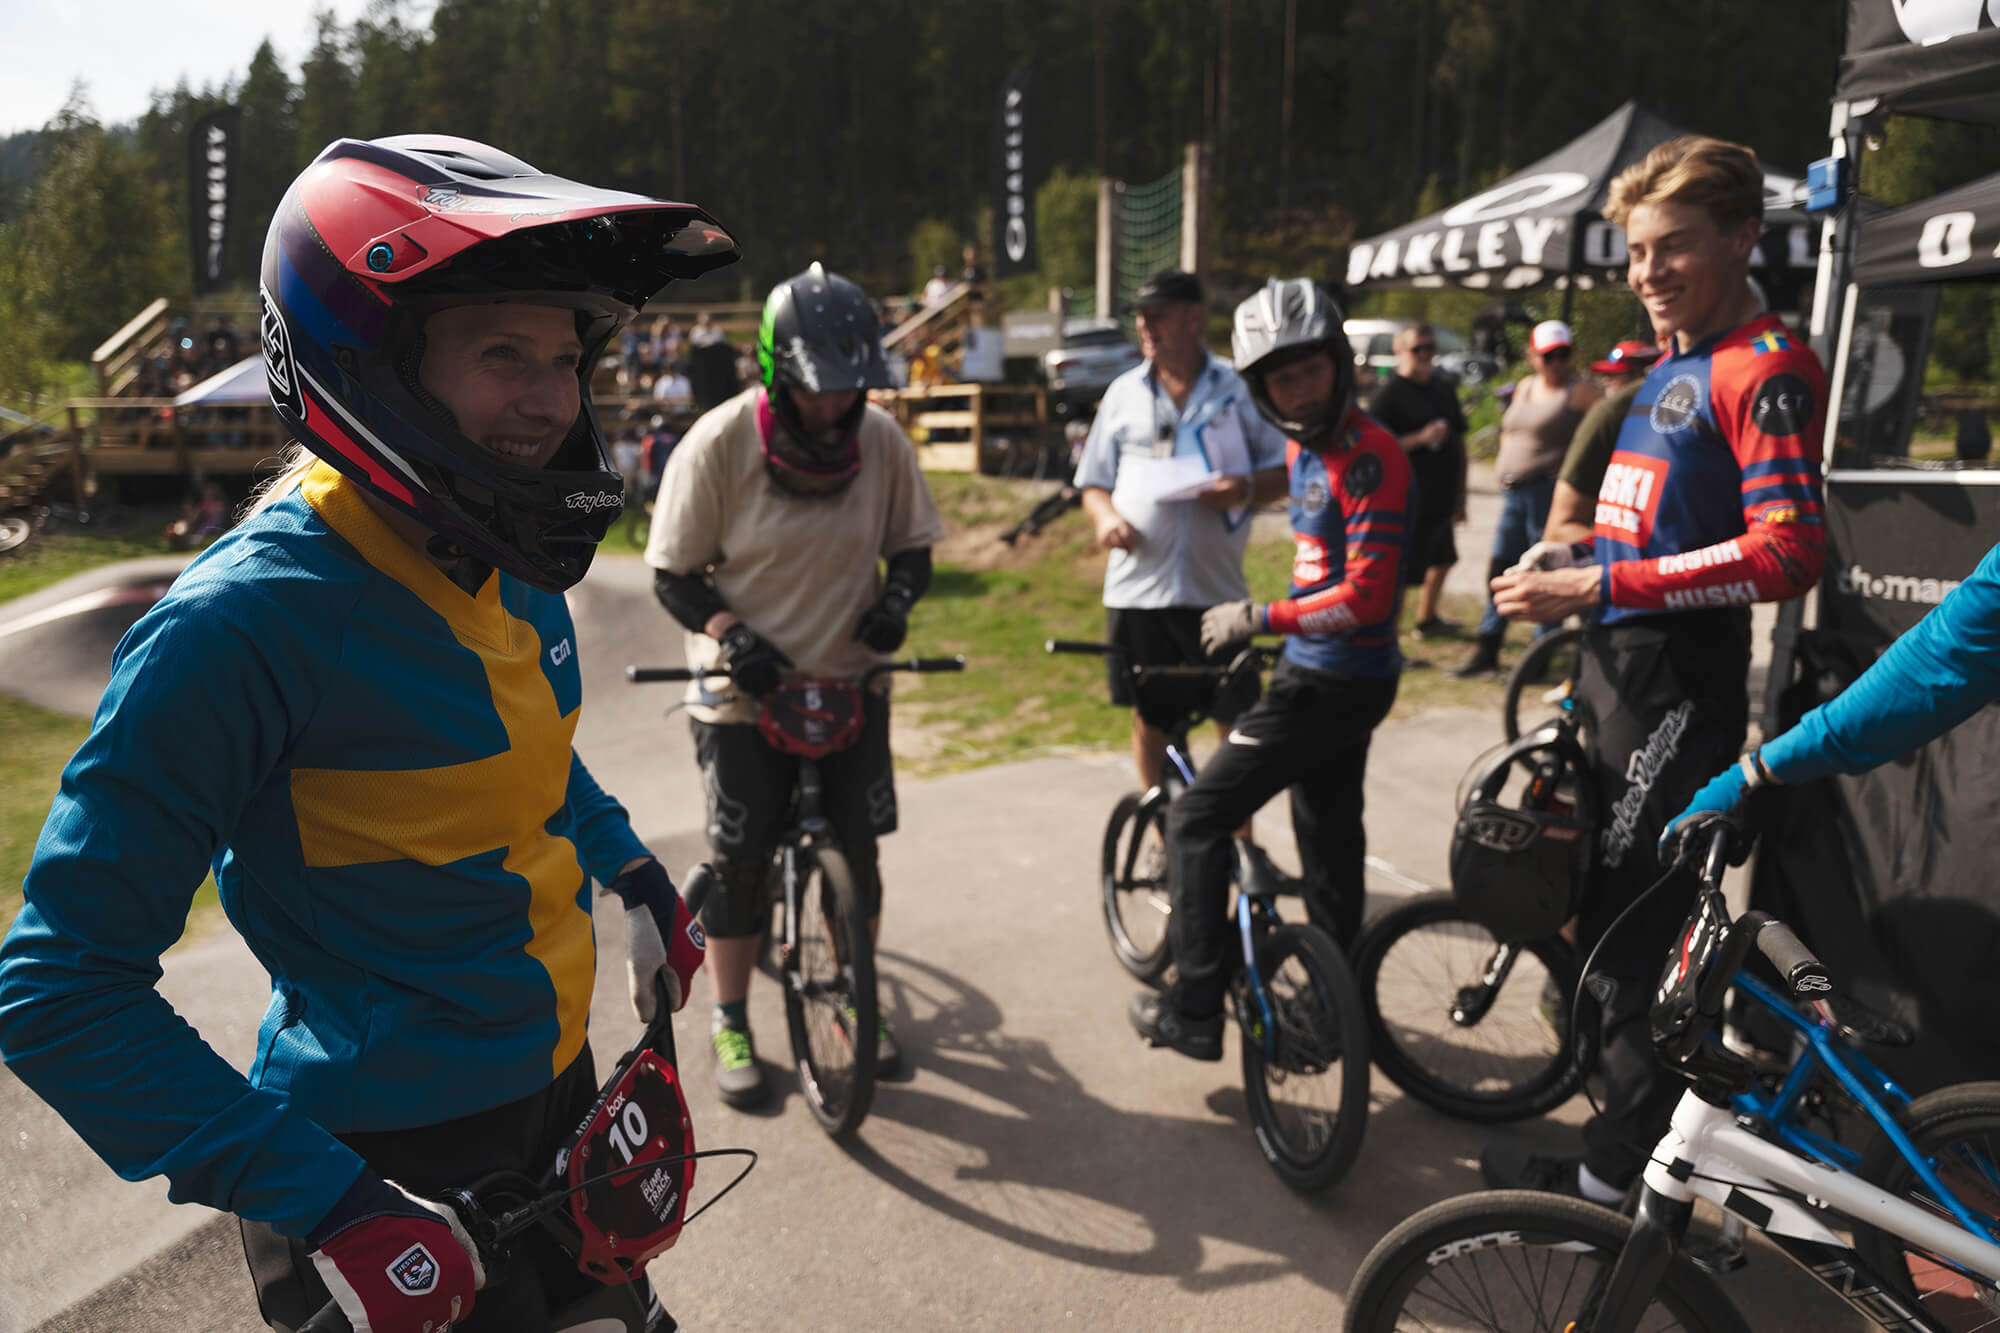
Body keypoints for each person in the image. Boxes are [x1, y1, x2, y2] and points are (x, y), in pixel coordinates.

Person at [0, 135, 735, 1333]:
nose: (554, 402)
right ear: (368, 365)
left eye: (565, 356)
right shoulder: (242, 628)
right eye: (505, 353)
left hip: (562, 1103)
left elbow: (527, 748)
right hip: (375, 1162)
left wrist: (632, 868)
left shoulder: (508, 544)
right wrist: (327, 1201)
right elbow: (57, 987)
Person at [1479, 134, 1828, 1206]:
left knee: (1636, 928)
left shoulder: (1761, 361)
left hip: (1676, 685)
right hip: (1611, 671)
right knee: (1583, 899)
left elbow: (1785, 550)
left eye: (1672, 246)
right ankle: (1625, 1145)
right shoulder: (1668, 359)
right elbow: (1653, 531)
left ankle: (1611, 1190)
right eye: (1635, 253)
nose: (1648, 273)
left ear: (1739, 238)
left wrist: (1594, 589)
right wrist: (1575, 555)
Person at [644, 262, 945, 1109]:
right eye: (818, 391)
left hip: (849, 683)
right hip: (745, 692)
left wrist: (896, 600)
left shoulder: (880, 441)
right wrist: (731, 634)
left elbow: (914, 547)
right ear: (777, 372)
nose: (834, 407)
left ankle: (860, 998)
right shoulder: (719, 443)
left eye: (849, 389)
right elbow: (673, 573)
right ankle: (732, 1016)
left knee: (860, 856)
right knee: (739, 863)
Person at [1129, 277, 1409, 1057]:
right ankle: (1336, 1006)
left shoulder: (1368, 455)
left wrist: (1263, 618)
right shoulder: (1304, 449)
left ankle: (1193, 1007)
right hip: (1326, 669)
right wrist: (1278, 627)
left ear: (1340, 361)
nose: (1301, 388)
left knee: (1194, 817)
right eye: (1283, 378)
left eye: (1311, 370)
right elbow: (1322, 569)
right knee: (1327, 837)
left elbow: (1368, 594)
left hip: (1331, 678)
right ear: (1262, 388)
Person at [1071, 268, 1290, 797]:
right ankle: (1157, 838)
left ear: (1195, 319)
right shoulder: (1122, 394)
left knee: (1235, 720)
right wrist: (1107, 520)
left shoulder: (1239, 391)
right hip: (1139, 591)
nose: (1145, 326)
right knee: (1152, 722)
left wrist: (1240, 490)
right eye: (1141, 317)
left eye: (1158, 316)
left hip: (1214, 590)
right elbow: (1093, 484)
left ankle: (1239, 846)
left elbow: (1287, 470)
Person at [1455, 320, 1601, 676]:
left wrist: (1573, 476)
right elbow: (1511, 432)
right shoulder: (1525, 387)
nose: (1558, 363)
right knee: (1502, 566)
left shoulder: (1580, 393)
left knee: (1545, 569)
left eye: (1564, 354)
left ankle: (1538, 656)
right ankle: (1487, 647)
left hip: (1548, 494)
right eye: (1550, 356)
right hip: (1516, 493)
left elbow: (1605, 434)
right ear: (1533, 356)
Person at [1365, 322, 1467, 638]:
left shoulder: (1442, 387)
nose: (1425, 355)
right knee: (1402, 571)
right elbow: (1374, 449)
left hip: (1442, 492)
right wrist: (1420, 438)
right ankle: (1389, 636)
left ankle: (1427, 619)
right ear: (1398, 351)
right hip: (1406, 495)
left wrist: (1461, 497)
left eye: (1430, 348)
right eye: (1417, 349)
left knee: (1444, 558)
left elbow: (1460, 441)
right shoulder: (1388, 394)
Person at [1542, 339, 1665, 546]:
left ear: (1640, 373)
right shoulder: (1607, 414)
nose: (1605, 381)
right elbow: (1559, 528)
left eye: (1614, 374)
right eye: (1605, 374)